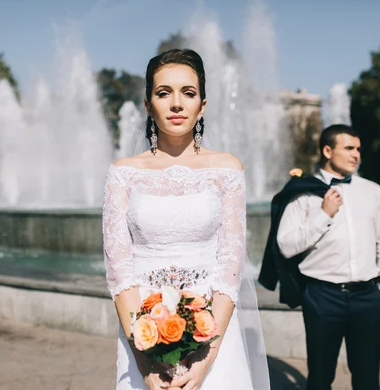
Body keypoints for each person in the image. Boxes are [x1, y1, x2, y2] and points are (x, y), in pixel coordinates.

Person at [102, 49, 269, 390]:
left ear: (202, 105)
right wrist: (145, 361)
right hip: (142, 329)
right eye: (164, 93)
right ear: (148, 105)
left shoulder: (227, 169)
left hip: (213, 328)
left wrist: (206, 358)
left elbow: (230, 267)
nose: (176, 104)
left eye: (188, 93)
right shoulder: (122, 174)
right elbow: (120, 273)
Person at [274, 124, 380, 390]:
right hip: (322, 296)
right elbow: (286, 245)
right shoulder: (304, 190)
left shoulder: (372, 190)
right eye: (349, 148)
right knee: (319, 378)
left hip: (368, 298)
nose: (356, 155)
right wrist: (324, 214)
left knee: (367, 379)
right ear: (328, 151)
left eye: (358, 149)